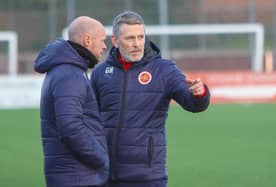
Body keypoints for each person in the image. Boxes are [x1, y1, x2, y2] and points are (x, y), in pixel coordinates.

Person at [90, 11, 210, 187]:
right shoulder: (100, 73)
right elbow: (90, 119)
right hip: (105, 175)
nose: (137, 44)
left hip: (148, 176)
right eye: (130, 38)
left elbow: (193, 103)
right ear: (115, 41)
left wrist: (199, 93)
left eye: (141, 37)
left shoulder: (164, 70)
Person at [34, 16, 109, 187]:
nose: (105, 46)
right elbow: (70, 127)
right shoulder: (69, 74)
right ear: (87, 40)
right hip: (78, 177)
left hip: (75, 174)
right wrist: (100, 157)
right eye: (102, 40)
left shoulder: (68, 69)